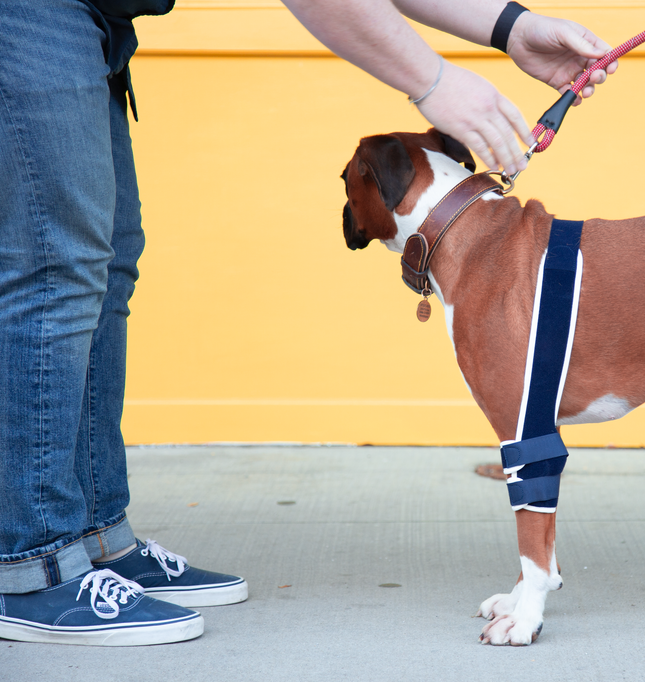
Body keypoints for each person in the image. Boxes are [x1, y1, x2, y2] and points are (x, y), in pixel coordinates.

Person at [0, 0, 614, 646]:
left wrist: (510, 26)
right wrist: (433, 81)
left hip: (99, 16)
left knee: (105, 266)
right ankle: (33, 566)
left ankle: (97, 537)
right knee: (56, 268)